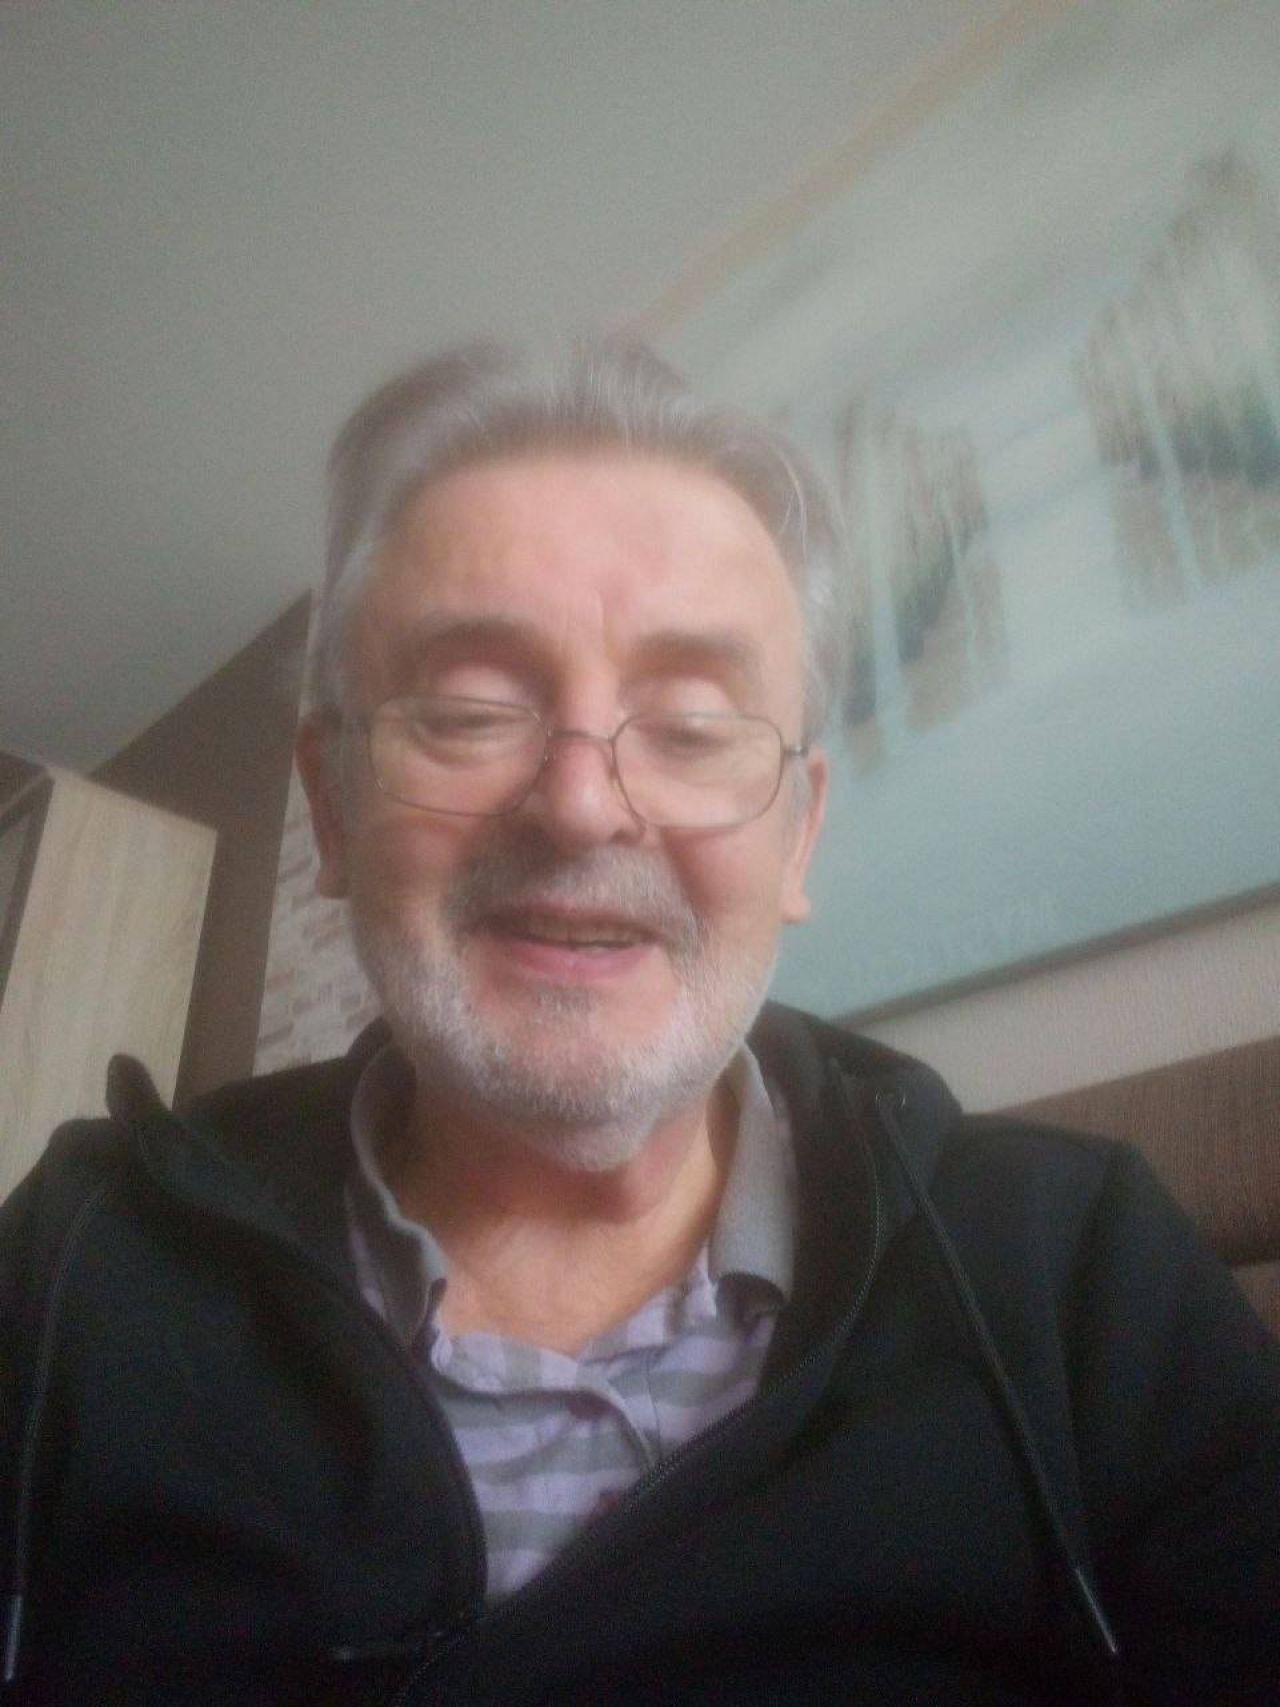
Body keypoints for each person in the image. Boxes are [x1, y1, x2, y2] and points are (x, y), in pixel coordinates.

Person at [2, 339, 1277, 1707]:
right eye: (470, 711)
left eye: (692, 725)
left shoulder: (1080, 1273)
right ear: (331, 803)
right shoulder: (81, 1261)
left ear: (798, 836)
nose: (580, 805)